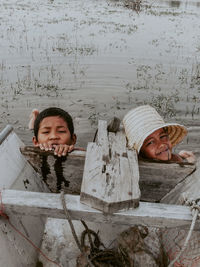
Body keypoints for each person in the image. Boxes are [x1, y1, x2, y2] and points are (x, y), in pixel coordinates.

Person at [123, 105, 195, 163]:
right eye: (150, 142)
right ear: (141, 153)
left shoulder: (175, 160)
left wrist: (190, 162)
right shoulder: (138, 170)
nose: (162, 144)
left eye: (163, 136)